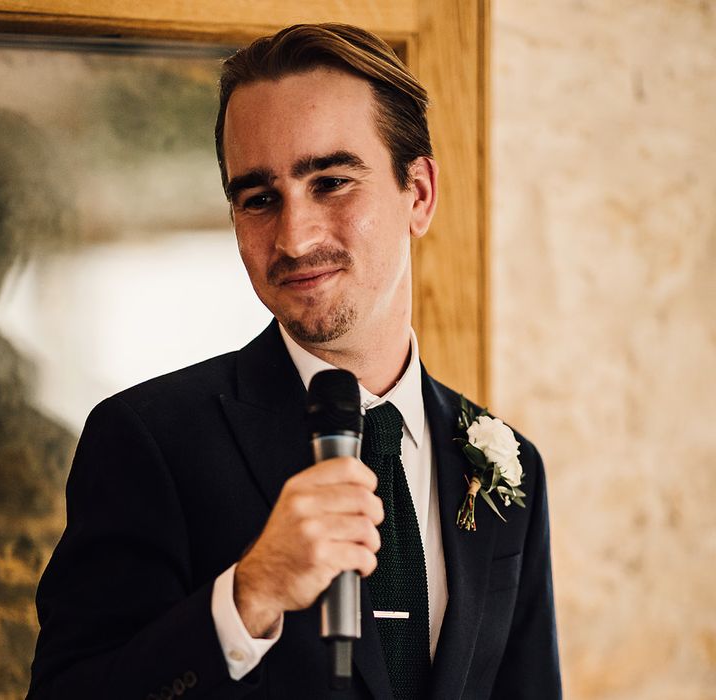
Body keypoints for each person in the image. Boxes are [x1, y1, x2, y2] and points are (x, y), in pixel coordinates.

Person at [28, 23, 561, 700]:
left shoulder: (508, 463)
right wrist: (247, 596)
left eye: (332, 182)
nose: (295, 236)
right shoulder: (149, 439)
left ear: (418, 194)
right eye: (258, 199)